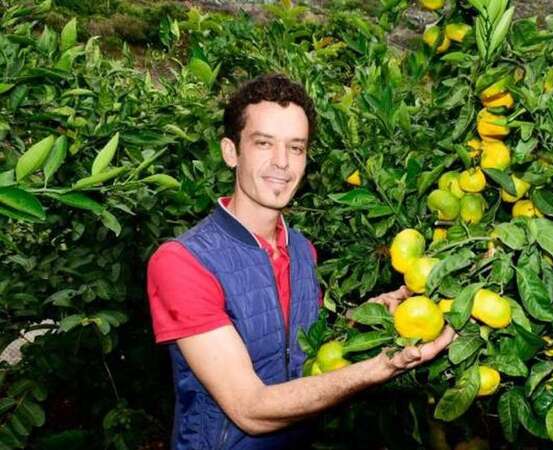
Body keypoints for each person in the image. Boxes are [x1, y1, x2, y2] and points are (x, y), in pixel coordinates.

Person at [146, 73, 455, 449]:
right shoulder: (183, 262)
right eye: (264, 143)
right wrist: (382, 366)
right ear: (231, 151)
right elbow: (250, 409)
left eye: (296, 148)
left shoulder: (301, 250)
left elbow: (301, 348)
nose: (282, 163)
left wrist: (362, 320)